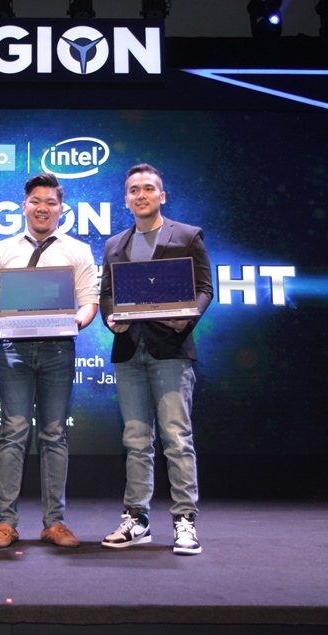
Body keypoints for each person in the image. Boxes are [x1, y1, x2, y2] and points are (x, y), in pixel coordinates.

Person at [0, 172, 98, 549]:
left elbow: (89, 301)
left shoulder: (78, 250)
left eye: (50, 202)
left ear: (61, 209)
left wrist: (76, 321)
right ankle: (5, 523)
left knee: (54, 434)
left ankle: (54, 523)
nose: (43, 208)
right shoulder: (2, 249)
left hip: (58, 348)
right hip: (13, 348)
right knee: (13, 432)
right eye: (35, 201)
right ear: (24, 205)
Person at [98, 163, 213, 555]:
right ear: (126, 199)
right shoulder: (115, 244)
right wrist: (110, 318)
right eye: (134, 190)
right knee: (135, 440)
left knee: (176, 438)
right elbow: (107, 294)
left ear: (161, 196)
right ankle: (137, 519)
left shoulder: (187, 235)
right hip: (129, 350)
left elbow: (204, 288)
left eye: (148, 188)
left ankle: (184, 520)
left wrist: (187, 318)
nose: (141, 195)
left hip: (171, 350)